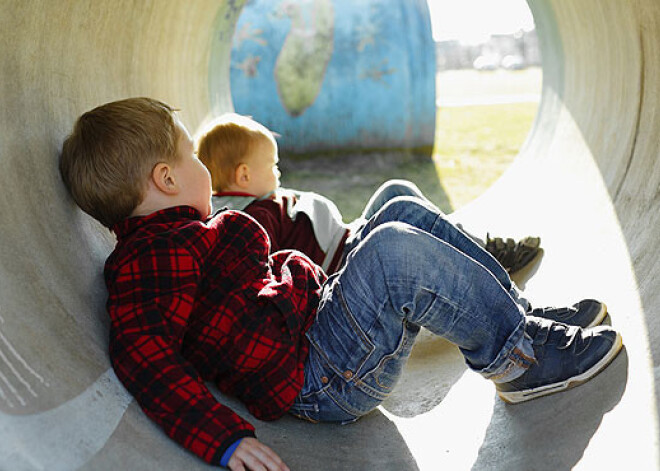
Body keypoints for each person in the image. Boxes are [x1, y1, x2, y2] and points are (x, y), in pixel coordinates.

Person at [59, 97, 623, 471]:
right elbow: (143, 354)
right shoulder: (153, 256)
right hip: (322, 376)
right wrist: (224, 439)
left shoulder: (185, 235)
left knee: (400, 204)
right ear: (167, 178)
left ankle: (521, 321)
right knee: (392, 251)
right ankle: (520, 360)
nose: (203, 169)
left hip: (317, 329)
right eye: (191, 157)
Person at [196, 113, 541, 276]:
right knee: (401, 203)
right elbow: (260, 268)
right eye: (272, 164)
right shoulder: (252, 217)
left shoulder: (261, 200)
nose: (278, 172)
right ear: (243, 174)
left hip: (347, 238)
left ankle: (474, 246)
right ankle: (489, 257)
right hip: (346, 259)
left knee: (395, 191)